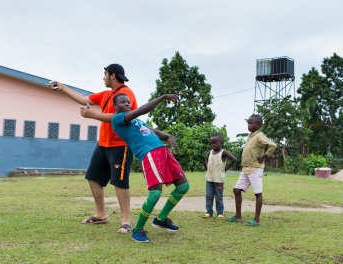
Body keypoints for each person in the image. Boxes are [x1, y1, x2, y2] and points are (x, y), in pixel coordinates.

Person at [81, 92, 189, 243]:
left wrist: (168, 136)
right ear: (115, 106)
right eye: (122, 102)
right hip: (149, 154)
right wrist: (163, 97)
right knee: (155, 194)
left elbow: (152, 131)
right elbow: (143, 109)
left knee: (183, 186)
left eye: (128, 102)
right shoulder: (118, 119)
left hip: (162, 152)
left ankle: (161, 219)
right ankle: (138, 229)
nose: (127, 104)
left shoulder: (136, 121)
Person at [48, 64, 137, 233]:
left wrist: (93, 115)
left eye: (104, 74)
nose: (103, 78)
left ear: (112, 75)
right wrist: (62, 87)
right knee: (93, 177)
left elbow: (123, 116)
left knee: (120, 182)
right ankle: (101, 214)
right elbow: (83, 99)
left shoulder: (127, 93)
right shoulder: (105, 95)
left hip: (120, 144)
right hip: (103, 143)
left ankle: (126, 221)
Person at [227, 114, 277, 227]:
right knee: (236, 190)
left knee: (257, 193)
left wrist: (263, 157)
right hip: (246, 168)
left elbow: (273, 145)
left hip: (255, 168)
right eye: (248, 123)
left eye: (251, 123)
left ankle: (257, 219)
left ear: (258, 125)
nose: (248, 125)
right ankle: (238, 216)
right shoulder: (250, 136)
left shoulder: (260, 136)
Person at [202, 134, 236, 220]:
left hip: (219, 179)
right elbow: (206, 159)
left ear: (221, 143)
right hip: (209, 179)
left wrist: (226, 168)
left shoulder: (223, 152)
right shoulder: (210, 152)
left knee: (218, 197)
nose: (213, 145)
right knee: (208, 196)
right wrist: (207, 167)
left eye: (215, 143)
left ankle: (220, 213)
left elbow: (234, 159)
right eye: (211, 143)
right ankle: (208, 212)